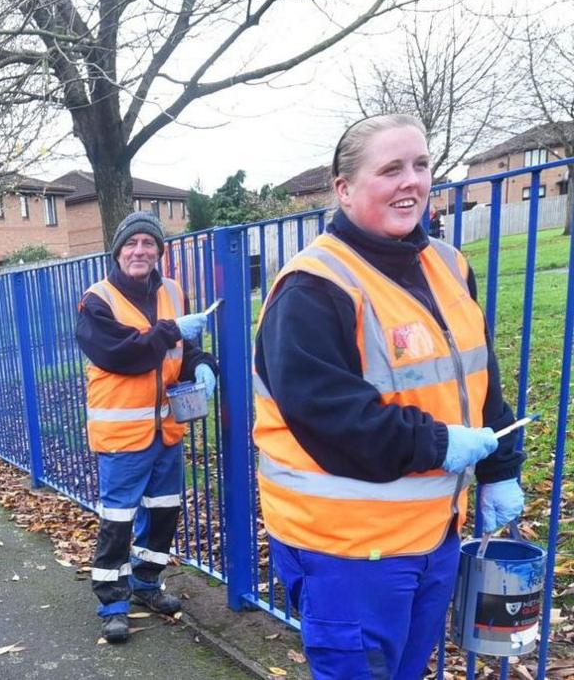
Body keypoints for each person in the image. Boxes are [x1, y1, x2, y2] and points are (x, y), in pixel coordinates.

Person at [253, 114, 525, 679]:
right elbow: (332, 420)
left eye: (421, 165)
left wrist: (500, 465)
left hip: (433, 533)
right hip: (349, 551)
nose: (412, 182)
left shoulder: (449, 266)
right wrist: (438, 444)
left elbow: (478, 379)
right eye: (391, 169)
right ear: (344, 189)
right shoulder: (312, 287)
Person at [75, 211, 218, 643]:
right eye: (131, 244)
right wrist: (172, 330)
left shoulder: (172, 290)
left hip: (166, 431)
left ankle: (147, 584)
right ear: (118, 251)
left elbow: (183, 347)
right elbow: (123, 354)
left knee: (163, 513)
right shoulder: (96, 300)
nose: (140, 251)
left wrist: (203, 365)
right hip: (123, 437)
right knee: (118, 520)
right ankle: (113, 603)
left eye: (149, 244)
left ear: (159, 251)